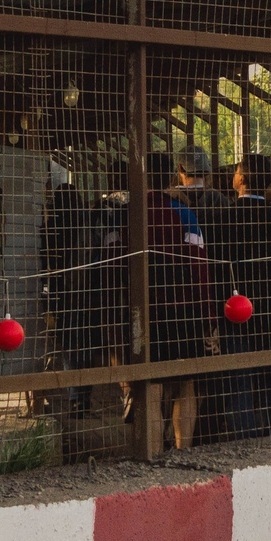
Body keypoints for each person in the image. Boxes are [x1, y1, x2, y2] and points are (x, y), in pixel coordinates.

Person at [104, 151, 213, 446]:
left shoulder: (122, 216)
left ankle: (151, 453)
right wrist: (208, 316)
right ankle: (183, 448)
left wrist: (115, 316)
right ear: (169, 178)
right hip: (181, 311)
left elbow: (112, 269)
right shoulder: (184, 213)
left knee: (150, 385)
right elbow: (199, 267)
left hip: (138, 312)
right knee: (185, 383)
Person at [211, 154, 271, 438]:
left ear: (242, 179)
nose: (234, 174)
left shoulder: (222, 220)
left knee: (239, 382)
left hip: (235, 313)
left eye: (237, 170)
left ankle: (245, 443)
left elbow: (214, 270)